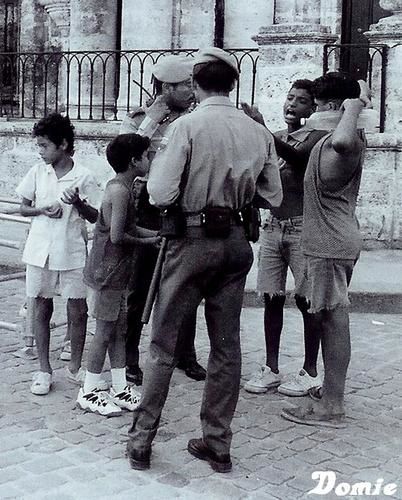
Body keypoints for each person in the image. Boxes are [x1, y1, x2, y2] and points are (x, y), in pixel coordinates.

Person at [126, 47, 282, 472]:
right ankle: (218, 443)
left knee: (162, 344)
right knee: (226, 348)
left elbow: (159, 193)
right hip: (236, 243)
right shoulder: (257, 131)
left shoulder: (188, 127)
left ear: (195, 85)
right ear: (232, 85)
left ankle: (141, 441)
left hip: (191, 240)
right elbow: (273, 196)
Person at [281, 72, 367, 428]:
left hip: (331, 242)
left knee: (333, 320)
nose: (312, 112)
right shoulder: (331, 138)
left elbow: (345, 143)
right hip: (328, 240)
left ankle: (333, 405)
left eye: (317, 105)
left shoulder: (345, 138)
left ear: (333, 106)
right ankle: (330, 392)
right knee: (329, 318)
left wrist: (356, 105)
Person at [120, 55, 206, 384]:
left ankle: (186, 354)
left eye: (193, 84)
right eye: (186, 85)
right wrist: (150, 123)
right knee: (139, 287)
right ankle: (130, 355)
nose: (192, 91)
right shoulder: (140, 119)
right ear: (166, 87)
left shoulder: (197, 119)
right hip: (148, 209)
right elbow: (125, 156)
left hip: (184, 207)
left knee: (185, 286)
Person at [242, 80, 327, 396]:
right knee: (271, 297)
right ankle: (272, 367)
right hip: (273, 227)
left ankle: (310, 370)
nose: (292, 104)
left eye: (301, 100)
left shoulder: (316, 138)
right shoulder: (275, 136)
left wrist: (261, 129)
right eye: (289, 98)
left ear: (313, 108)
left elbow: (297, 160)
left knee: (307, 300)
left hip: (302, 226)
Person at [16, 113, 102, 395]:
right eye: (38, 146)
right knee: (41, 307)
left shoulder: (85, 175)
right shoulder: (37, 172)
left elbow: (96, 217)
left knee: (78, 310)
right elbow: (24, 207)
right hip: (40, 250)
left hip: (72, 250)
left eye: (44, 146)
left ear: (62, 144)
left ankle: (75, 367)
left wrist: (77, 202)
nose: (40, 152)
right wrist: (41, 209)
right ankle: (43, 369)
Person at [77, 134, 160, 416]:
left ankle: (119, 385)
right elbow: (117, 236)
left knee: (119, 331)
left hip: (116, 273)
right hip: (107, 274)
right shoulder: (121, 192)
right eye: (147, 155)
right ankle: (88, 390)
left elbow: (130, 227)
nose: (150, 159)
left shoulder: (122, 186)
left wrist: (157, 235)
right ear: (134, 161)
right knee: (103, 333)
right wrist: (149, 242)